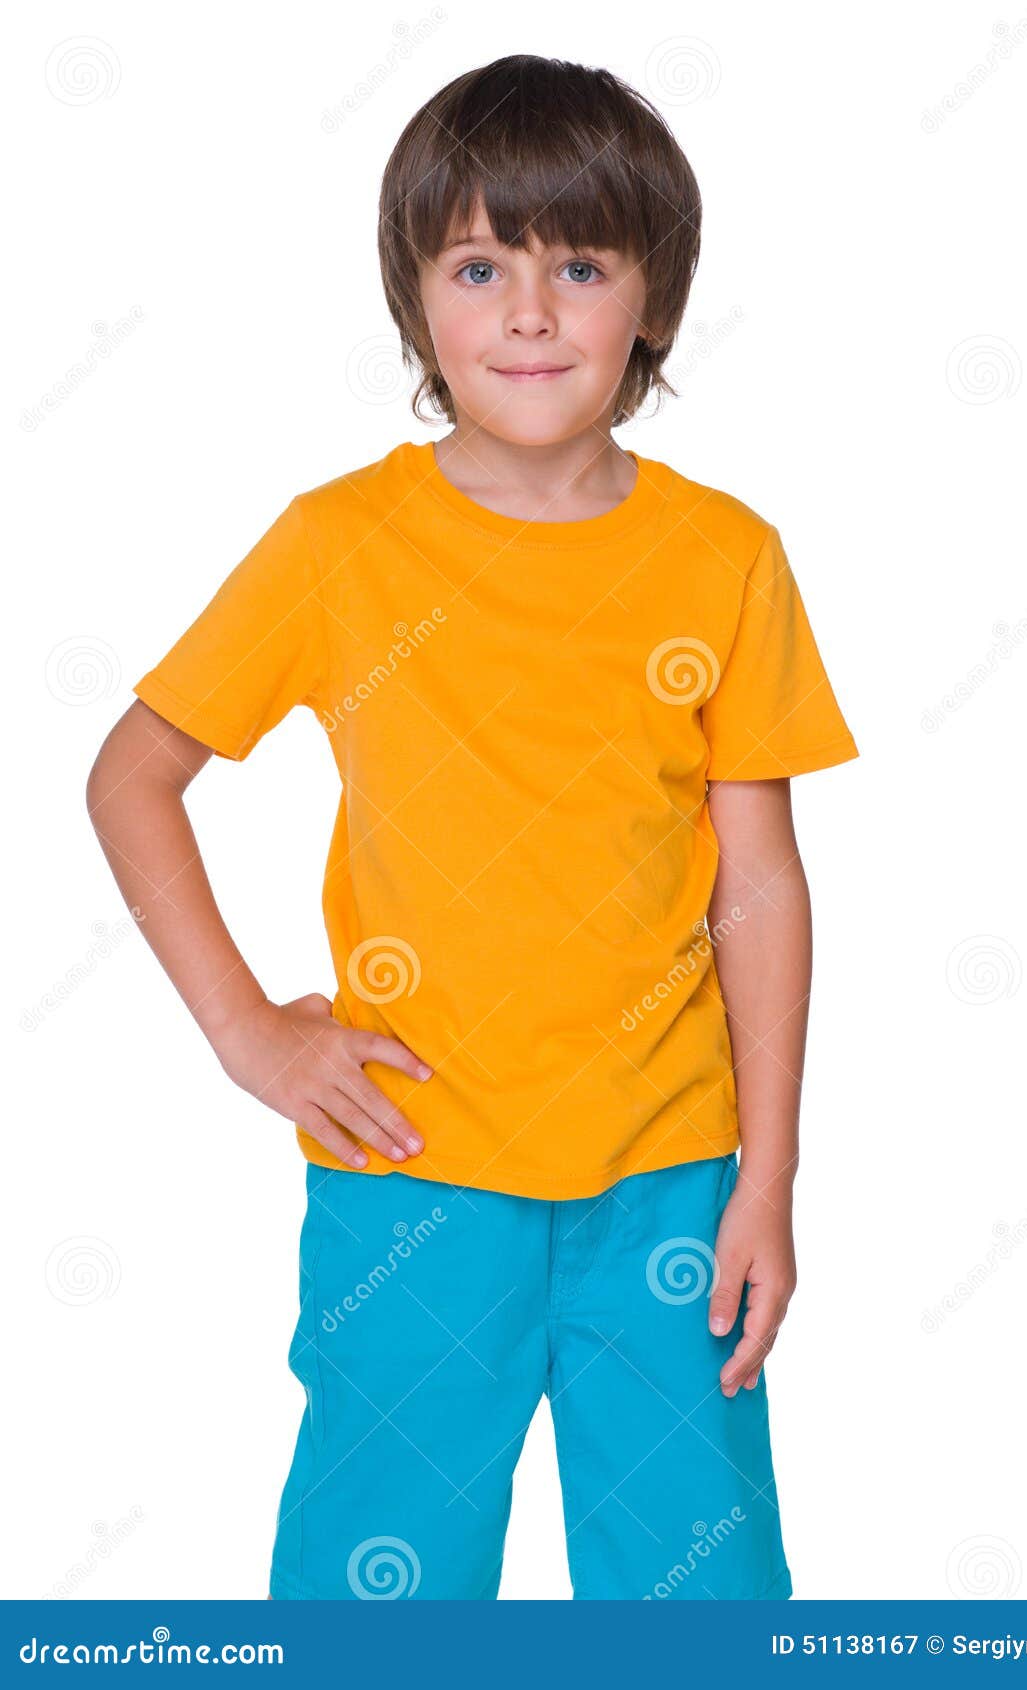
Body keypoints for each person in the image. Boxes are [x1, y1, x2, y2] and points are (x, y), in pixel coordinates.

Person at [86, 54, 859, 1601]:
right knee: (383, 1591)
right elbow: (133, 775)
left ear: (652, 300)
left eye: (578, 264)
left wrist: (766, 1176)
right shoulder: (340, 546)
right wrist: (251, 1035)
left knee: (696, 1595)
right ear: (417, 302)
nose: (527, 310)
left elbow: (760, 890)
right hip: (412, 1169)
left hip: (673, 1178)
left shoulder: (725, 557)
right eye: (479, 264)